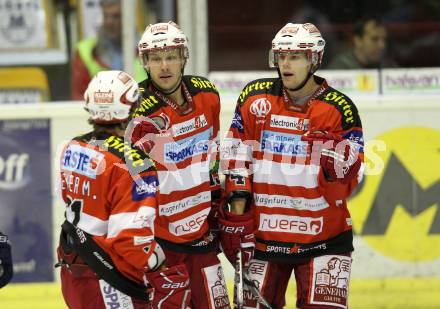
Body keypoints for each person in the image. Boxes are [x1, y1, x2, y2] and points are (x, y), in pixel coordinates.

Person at [220, 23, 364, 309]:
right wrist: (238, 219)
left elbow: (352, 178)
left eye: (295, 57)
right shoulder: (254, 97)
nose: (285, 64)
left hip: (325, 240)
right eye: (281, 56)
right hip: (262, 241)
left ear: (314, 59)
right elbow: (236, 155)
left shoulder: (340, 108)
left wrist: (336, 163)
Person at [57, 70, 191, 309]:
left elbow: (69, 197)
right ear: (131, 107)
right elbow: (130, 242)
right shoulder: (135, 165)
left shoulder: (71, 146)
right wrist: (156, 260)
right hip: (110, 280)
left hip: (72, 271)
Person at [130, 21, 230, 309]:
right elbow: (132, 182)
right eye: (156, 58)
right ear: (145, 62)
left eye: (171, 56)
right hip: (161, 242)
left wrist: (216, 201)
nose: (164, 66)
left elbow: (212, 154)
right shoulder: (137, 110)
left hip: (201, 237)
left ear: (183, 58)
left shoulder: (207, 94)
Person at [70, 0, 147, 100]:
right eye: (105, 16)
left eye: (116, 16)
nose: (109, 22)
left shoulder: (148, 49)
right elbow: (79, 100)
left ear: (129, 18)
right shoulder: (86, 51)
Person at [327, 17, 395, 69]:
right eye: (374, 39)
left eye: (384, 39)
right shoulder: (340, 68)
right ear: (358, 41)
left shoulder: (389, 66)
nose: (382, 45)